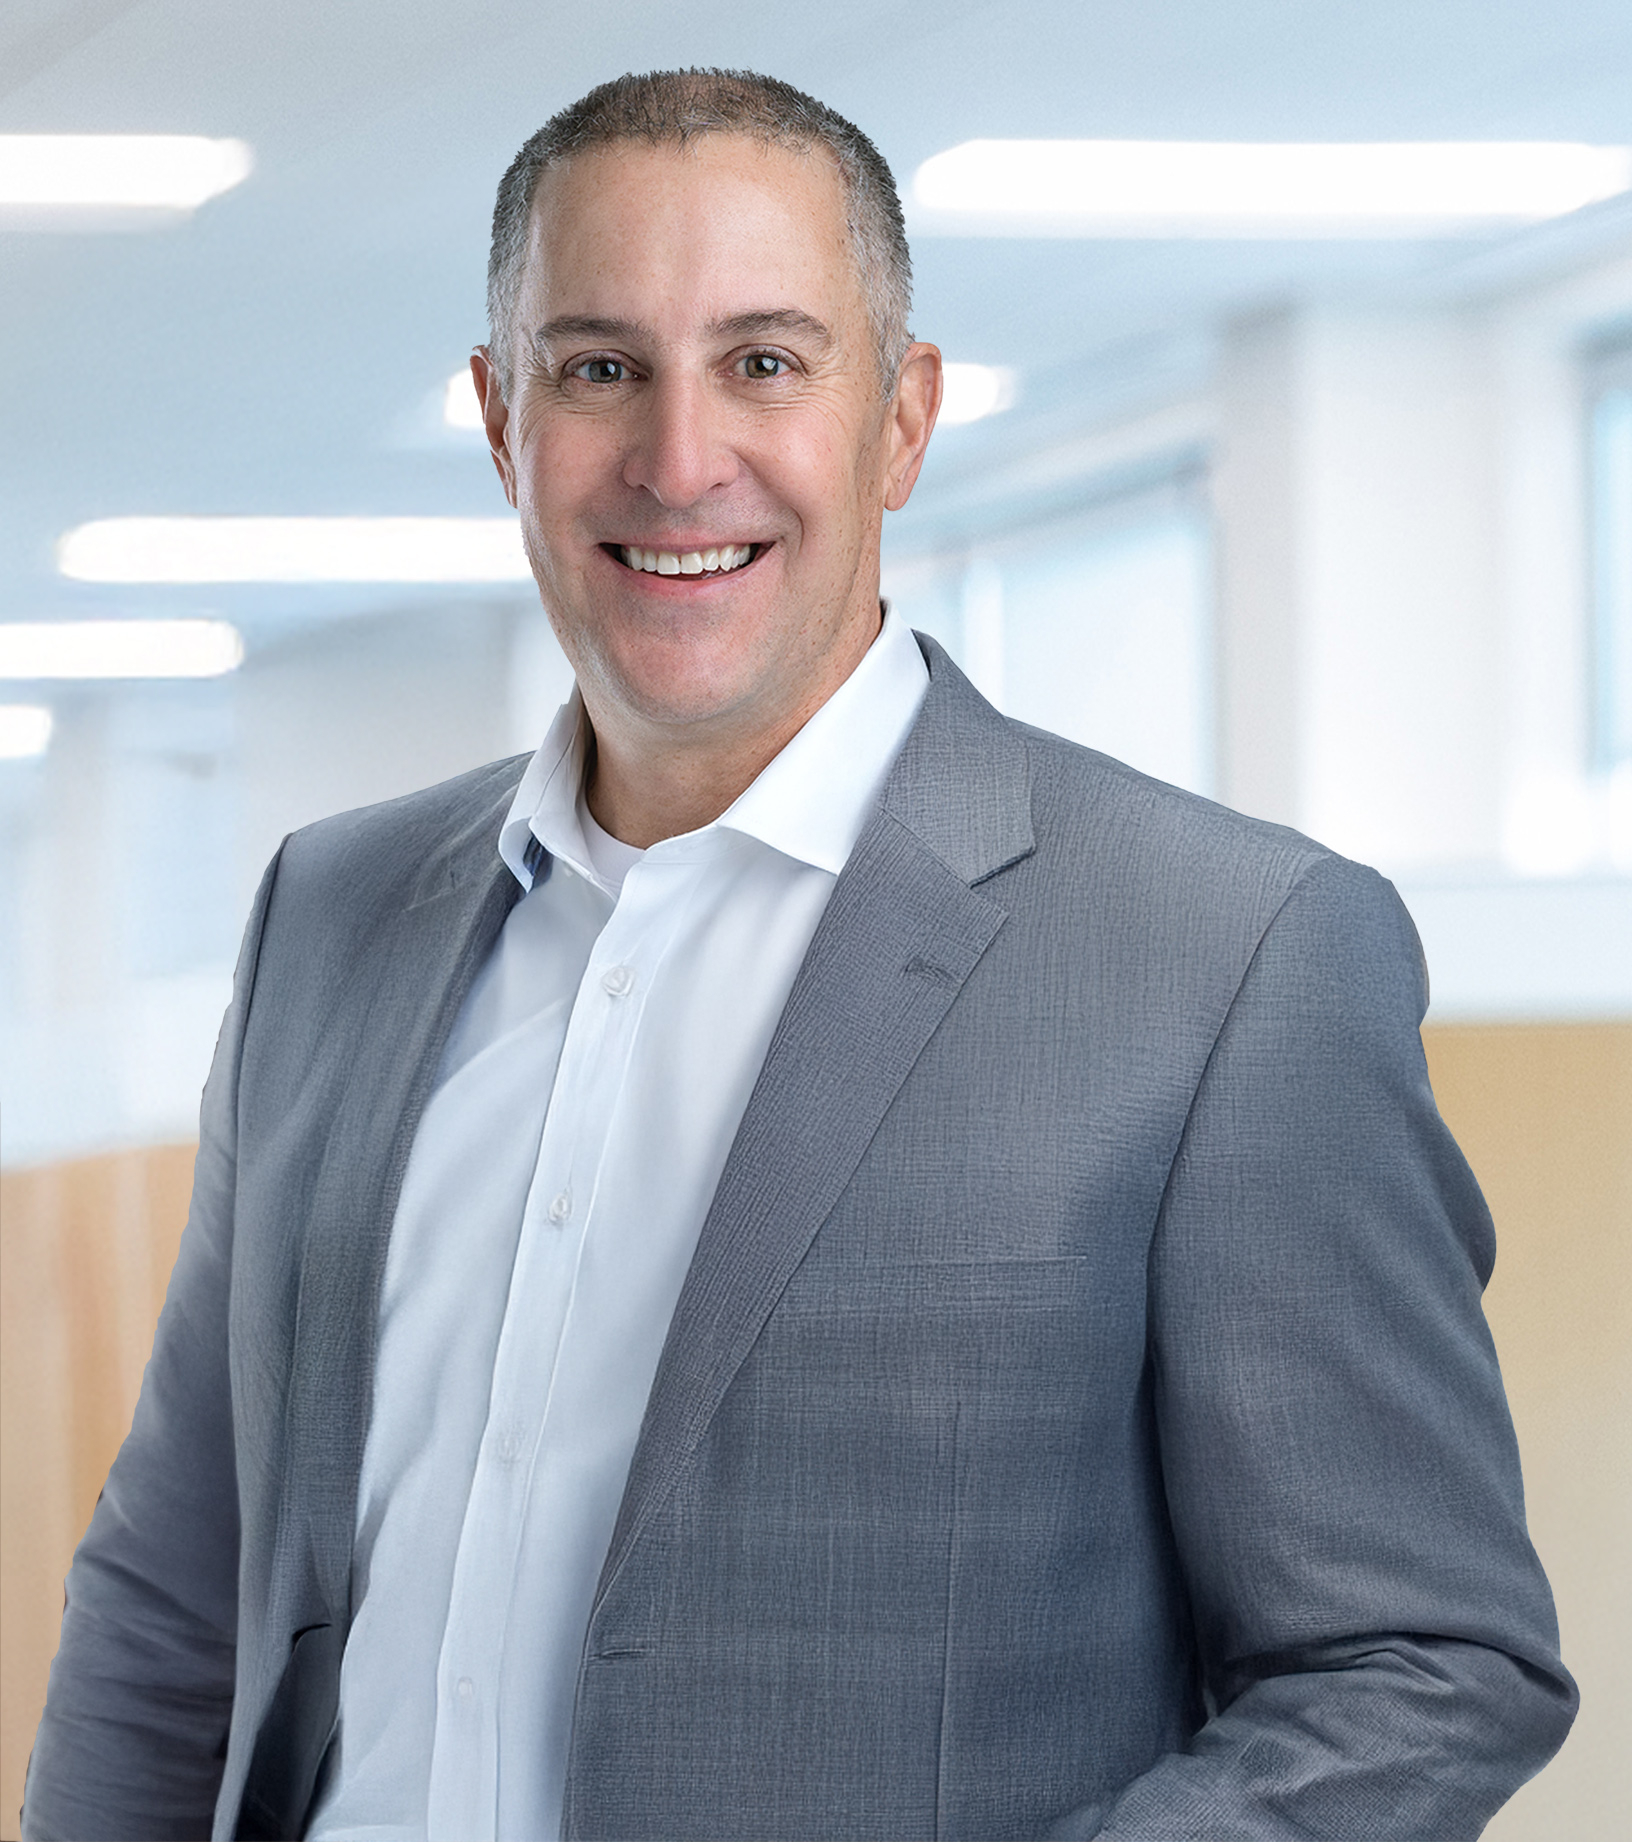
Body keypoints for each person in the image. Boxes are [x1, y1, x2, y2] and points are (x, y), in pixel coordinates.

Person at [24, 68, 1574, 1842]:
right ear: (502, 420)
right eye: (598, 368)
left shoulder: (1228, 957)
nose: (681, 459)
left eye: (764, 362)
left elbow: (1416, 1664)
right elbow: (175, 1600)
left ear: (900, 419)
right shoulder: (330, 918)